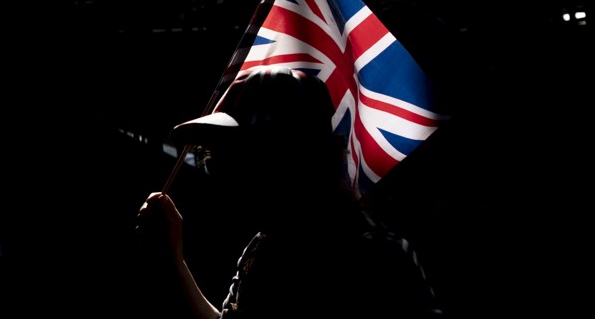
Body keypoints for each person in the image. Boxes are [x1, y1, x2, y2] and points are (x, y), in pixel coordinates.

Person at [135, 65, 443, 318]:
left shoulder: (374, 262)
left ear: (293, 161)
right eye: (214, 162)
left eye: (239, 160)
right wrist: (172, 259)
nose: (224, 179)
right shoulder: (265, 249)